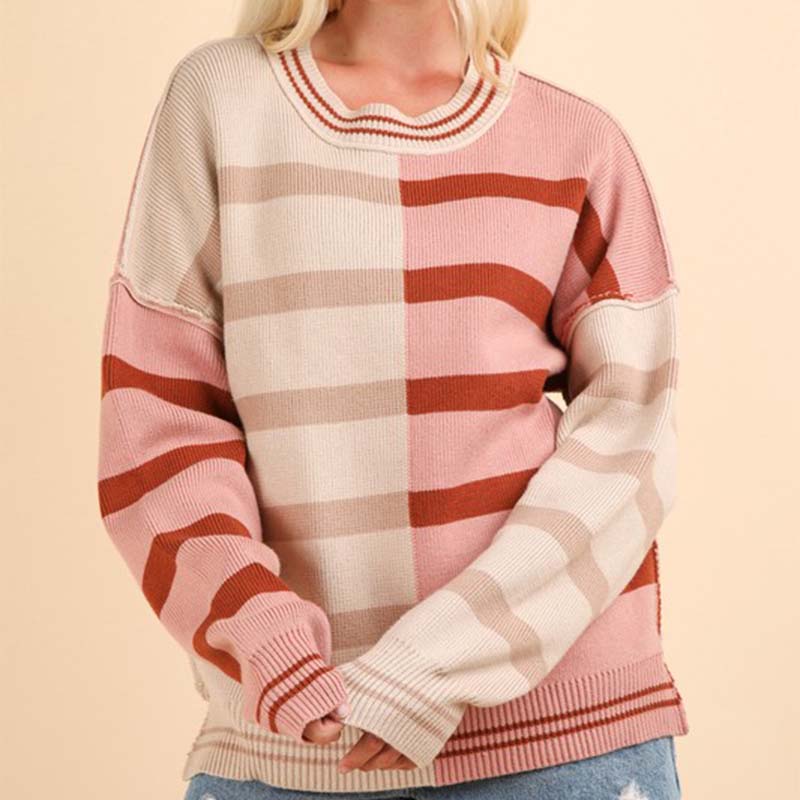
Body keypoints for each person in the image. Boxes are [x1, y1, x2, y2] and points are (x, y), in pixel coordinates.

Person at [96, 1, 689, 797]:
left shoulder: (579, 142)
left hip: (560, 737)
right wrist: (260, 631)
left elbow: (632, 446)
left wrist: (437, 660)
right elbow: (156, 423)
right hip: (297, 736)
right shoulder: (221, 102)